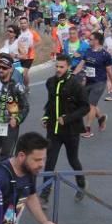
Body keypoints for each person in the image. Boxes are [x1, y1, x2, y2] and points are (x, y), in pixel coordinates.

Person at [39, 55, 89, 202]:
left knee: (73, 160)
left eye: (61, 67)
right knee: (50, 162)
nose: (58, 69)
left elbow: (85, 107)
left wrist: (67, 119)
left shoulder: (76, 84)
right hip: (53, 131)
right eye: (57, 66)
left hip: (71, 131)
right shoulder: (50, 82)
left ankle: (81, 185)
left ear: (68, 67)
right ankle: (45, 194)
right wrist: (46, 117)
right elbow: (51, 103)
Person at [80, 31, 112, 137]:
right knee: (87, 104)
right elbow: (82, 64)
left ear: (96, 41)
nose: (88, 40)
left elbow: (109, 70)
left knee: (91, 105)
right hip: (89, 81)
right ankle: (100, 118)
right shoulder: (88, 51)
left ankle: (88, 129)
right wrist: (74, 74)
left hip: (99, 82)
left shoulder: (105, 55)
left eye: (90, 39)